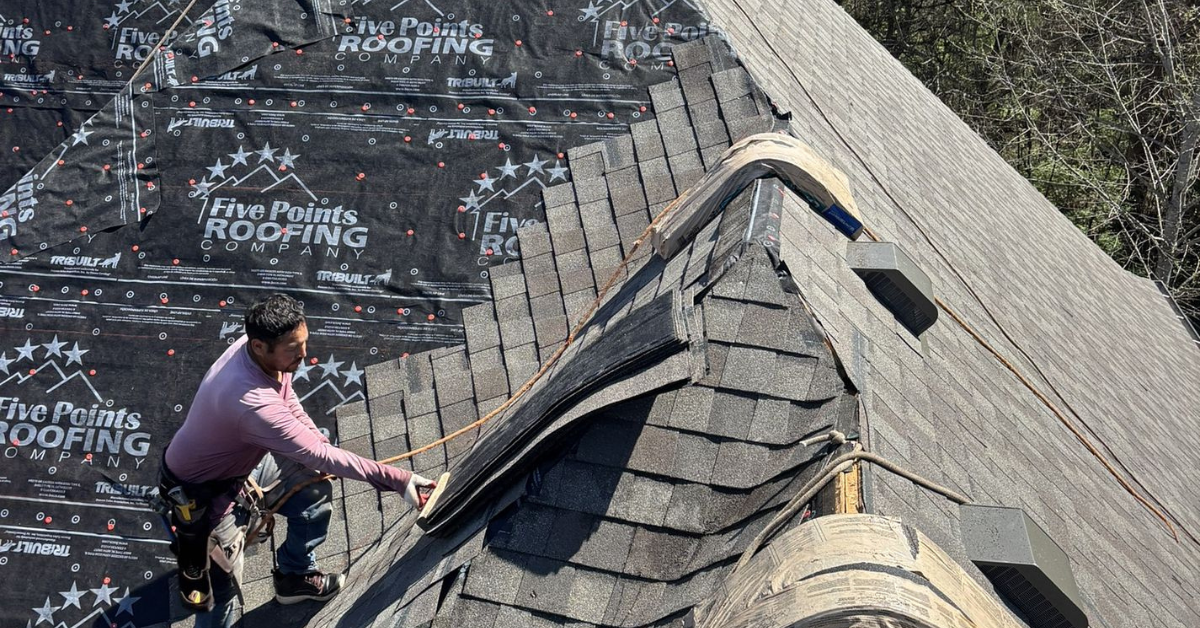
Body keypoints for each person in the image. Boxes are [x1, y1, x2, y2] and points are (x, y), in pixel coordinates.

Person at [159, 294, 435, 627]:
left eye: (304, 342)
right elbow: (316, 452)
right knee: (221, 595)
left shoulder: (261, 354)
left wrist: (313, 439)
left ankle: (294, 577)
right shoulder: (252, 403)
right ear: (260, 346)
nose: (303, 354)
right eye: (294, 348)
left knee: (312, 489)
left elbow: (287, 399)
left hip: (237, 469)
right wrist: (399, 480)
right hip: (204, 501)